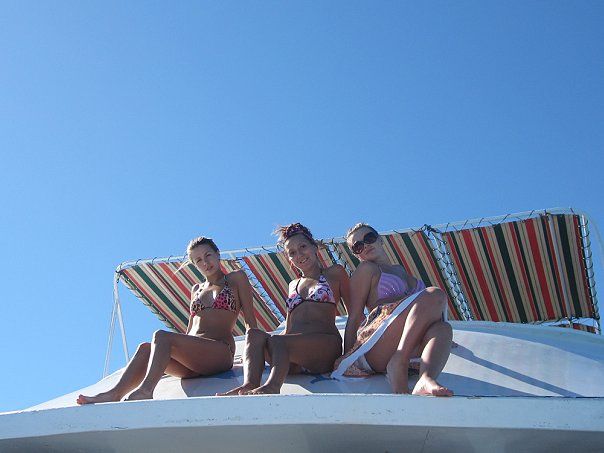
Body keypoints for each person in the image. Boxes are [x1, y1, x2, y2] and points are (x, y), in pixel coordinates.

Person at [77, 236, 257, 403]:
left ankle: (146, 390)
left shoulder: (235, 278)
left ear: (218, 254)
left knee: (162, 336)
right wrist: (162, 361)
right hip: (194, 362)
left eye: (208, 255)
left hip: (220, 352)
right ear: (195, 265)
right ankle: (114, 394)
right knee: (145, 349)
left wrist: (255, 358)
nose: (205, 262)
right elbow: (190, 330)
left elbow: (250, 323)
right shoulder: (196, 289)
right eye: (198, 260)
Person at [220, 223, 350, 395]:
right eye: (292, 253)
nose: (299, 255)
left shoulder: (334, 273)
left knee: (278, 341)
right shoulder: (293, 285)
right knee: (254, 334)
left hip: (324, 348)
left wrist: (350, 355)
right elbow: (289, 326)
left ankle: (273, 386)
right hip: (295, 354)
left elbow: (354, 314)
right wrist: (265, 345)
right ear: (289, 259)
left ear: (315, 247)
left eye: (303, 247)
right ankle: (250, 384)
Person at [332, 223, 453, 396]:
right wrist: (348, 358)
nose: (365, 245)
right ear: (356, 255)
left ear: (380, 239)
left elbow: (422, 313)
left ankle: (425, 378)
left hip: (407, 344)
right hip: (378, 343)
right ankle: (399, 361)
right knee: (435, 294)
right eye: (358, 246)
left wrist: (443, 340)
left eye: (369, 238)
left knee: (444, 328)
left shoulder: (402, 271)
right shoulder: (367, 269)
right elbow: (354, 316)